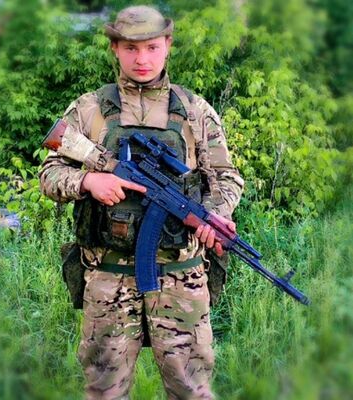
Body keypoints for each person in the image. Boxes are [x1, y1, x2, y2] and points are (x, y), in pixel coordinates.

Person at [39, 5, 244, 400]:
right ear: (115, 48)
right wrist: (88, 180)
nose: (142, 59)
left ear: (167, 45)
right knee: (104, 390)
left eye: (151, 47)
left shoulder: (195, 110)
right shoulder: (90, 108)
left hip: (182, 278)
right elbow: (50, 174)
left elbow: (225, 176)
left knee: (191, 389)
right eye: (131, 48)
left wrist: (215, 216)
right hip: (107, 278)